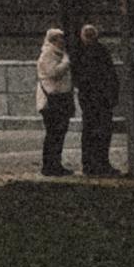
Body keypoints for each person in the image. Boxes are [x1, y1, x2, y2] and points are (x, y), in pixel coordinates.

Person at [74, 18, 122, 178]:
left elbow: (80, 79)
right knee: (99, 133)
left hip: (93, 99)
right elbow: (110, 76)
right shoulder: (100, 51)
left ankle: (92, 164)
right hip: (98, 99)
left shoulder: (81, 52)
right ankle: (98, 164)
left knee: (92, 133)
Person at [35, 24, 74, 177]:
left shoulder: (58, 53)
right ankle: (50, 165)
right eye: (60, 39)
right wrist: (66, 62)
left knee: (59, 134)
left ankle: (55, 163)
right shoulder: (48, 54)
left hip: (60, 98)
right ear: (53, 40)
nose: (63, 41)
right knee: (53, 133)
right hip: (51, 100)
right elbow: (54, 73)